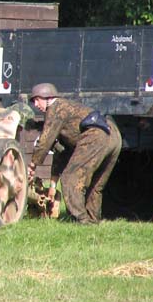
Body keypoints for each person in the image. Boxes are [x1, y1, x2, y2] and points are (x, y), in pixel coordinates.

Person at [27, 82, 122, 224]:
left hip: (96, 136)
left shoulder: (56, 108)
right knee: (95, 185)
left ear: (47, 97)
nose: (35, 105)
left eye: (37, 100)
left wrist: (33, 165)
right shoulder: (66, 109)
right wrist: (52, 187)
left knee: (70, 178)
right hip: (114, 136)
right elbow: (61, 153)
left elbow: (44, 141)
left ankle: (81, 220)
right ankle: (92, 221)